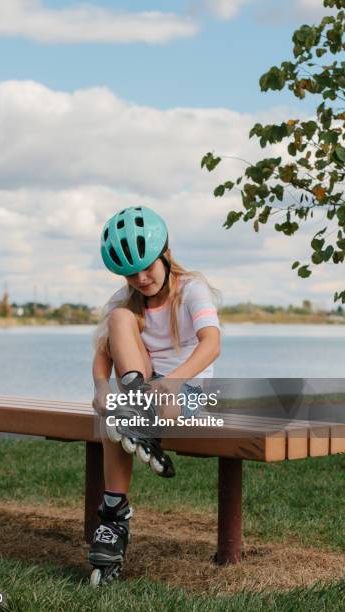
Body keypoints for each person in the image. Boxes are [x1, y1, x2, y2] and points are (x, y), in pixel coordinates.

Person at [88, 205, 222, 586]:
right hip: (145, 389)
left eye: (147, 267)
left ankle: (136, 419)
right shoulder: (125, 298)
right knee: (117, 329)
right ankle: (114, 515)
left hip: (189, 388)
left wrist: (174, 381)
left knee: (124, 414)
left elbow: (212, 345)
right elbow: (102, 356)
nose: (141, 278)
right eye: (131, 272)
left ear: (165, 253)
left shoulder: (192, 288)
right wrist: (101, 390)